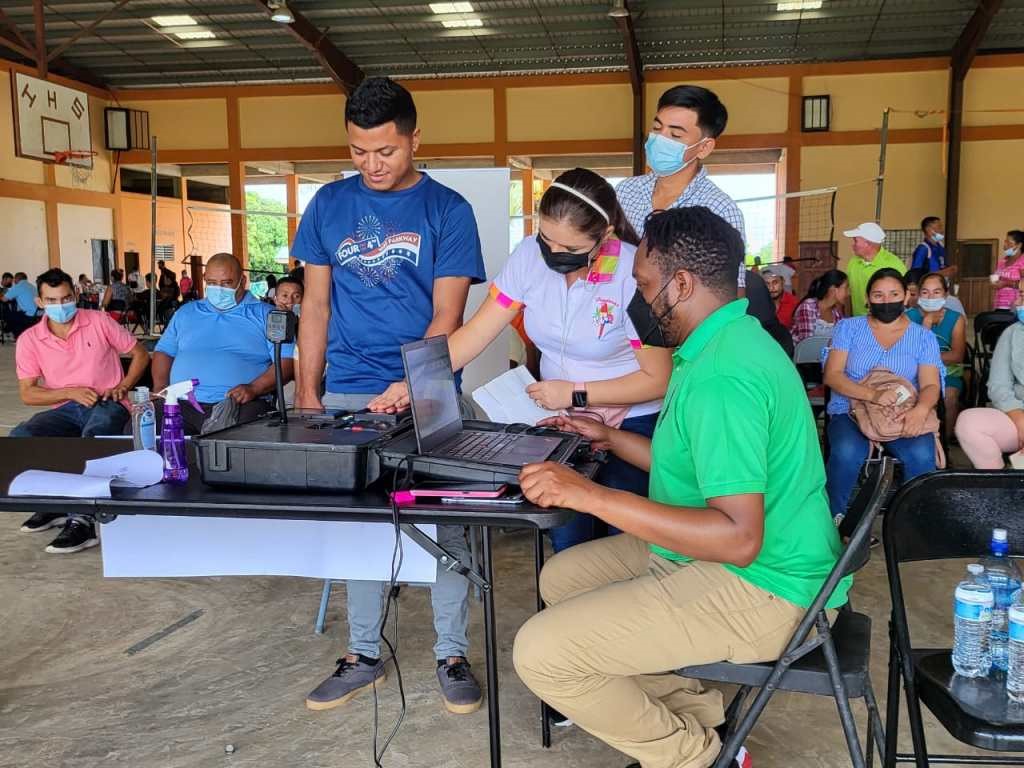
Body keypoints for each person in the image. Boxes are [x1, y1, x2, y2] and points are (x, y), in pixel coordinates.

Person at [511, 206, 847, 768]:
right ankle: (695, 712)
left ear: (682, 283)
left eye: (642, 285)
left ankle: (698, 758)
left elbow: (737, 537)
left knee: (541, 654)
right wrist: (611, 439)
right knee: (563, 577)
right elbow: (696, 472)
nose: (634, 300)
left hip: (768, 585)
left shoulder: (722, 377)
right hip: (762, 557)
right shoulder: (724, 341)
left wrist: (587, 495)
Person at [292, 76, 486, 715]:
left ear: (414, 139)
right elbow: (316, 303)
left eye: (386, 151)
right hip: (347, 387)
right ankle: (363, 654)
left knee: (445, 522)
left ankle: (451, 652)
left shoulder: (448, 211)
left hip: (427, 391)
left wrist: (411, 386)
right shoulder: (327, 204)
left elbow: (446, 318)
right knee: (363, 524)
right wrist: (309, 389)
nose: (371, 165)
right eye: (358, 151)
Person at [369, 168, 669, 553]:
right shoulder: (529, 257)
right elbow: (477, 332)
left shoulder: (630, 274)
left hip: (632, 421)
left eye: (569, 249)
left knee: (624, 541)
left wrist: (575, 394)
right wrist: (415, 386)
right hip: (566, 422)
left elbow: (657, 378)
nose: (554, 255)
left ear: (605, 236)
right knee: (566, 533)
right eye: (547, 240)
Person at [12, 268, 149, 553]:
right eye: (51, 300)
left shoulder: (99, 321)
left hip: (107, 402)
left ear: (75, 295)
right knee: (23, 436)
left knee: (93, 435)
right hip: (65, 407)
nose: (60, 306)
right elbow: (28, 393)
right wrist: (68, 392)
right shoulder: (29, 340)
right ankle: (52, 503)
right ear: (40, 302)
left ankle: (82, 521)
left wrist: (123, 385)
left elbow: (140, 354)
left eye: (65, 298)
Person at [823, 268, 943, 520]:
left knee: (922, 455)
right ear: (867, 298)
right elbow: (832, 375)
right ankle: (838, 520)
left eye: (894, 294)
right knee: (846, 451)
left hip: (902, 414)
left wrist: (920, 411)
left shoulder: (923, 337)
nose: (886, 301)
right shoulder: (849, 328)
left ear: (906, 297)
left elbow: (931, 385)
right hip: (850, 410)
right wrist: (872, 395)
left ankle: (913, 522)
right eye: (878, 295)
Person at [615, 85, 747, 294]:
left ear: (704, 148)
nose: (660, 139)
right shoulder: (625, 192)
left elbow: (732, 292)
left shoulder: (719, 209)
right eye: (657, 129)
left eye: (675, 135)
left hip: (679, 321)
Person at [151, 253, 294, 435]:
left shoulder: (269, 315)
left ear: (242, 281)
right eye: (211, 282)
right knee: (143, 429)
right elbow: (164, 352)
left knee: (232, 440)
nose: (218, 289)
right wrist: (159, 390)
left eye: (226, 283)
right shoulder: (186, 313)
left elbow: (286, 362)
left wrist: (254, 388)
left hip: (238, 404)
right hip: (179, 403)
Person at [956, 281, 1024, 468]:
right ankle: (998, 489)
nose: (1017, 301)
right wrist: (1018, 417)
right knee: (969, 423)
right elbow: (998, 384)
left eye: (1023, 296)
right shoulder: (1012, 333)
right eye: (1020, 294)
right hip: (1019, 413)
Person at [906, 272, 965, 440]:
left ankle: (943, 446)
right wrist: (926, 323)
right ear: (918, 294)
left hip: (948, 373)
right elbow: (907, 354)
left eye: (936, 292)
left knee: (950, 398)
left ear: (946, 295)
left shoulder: (956, 319)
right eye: (925, 292)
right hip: (913, 373)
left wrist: (924, 358)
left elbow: (957, 356)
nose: (930, 297)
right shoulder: (909, 317)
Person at [843, 222, 906, 316]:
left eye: (856, 241)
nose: (853, 245)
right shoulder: (853, 262)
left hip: (885, 322)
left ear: (867, 244)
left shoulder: (894, 264)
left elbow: (903, 295)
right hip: (858, 322)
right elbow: (848, 292)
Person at [791, 269, 847, 345]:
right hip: (803, 355)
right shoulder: (808, 307)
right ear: (833, 289)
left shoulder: (837, 314)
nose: (848, 293)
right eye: (846, 288)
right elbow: (807, 344)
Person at [2, 272, 40, 337]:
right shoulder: (32, 286)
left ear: (17, 278)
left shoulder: (18, 286)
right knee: (14, 313)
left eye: (14, 279)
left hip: (28, 315)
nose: (13, 281)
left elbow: (4, 299)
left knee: (9, 315)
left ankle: (16, 336)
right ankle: (9, 330)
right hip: (37, 314)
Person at [993, 230, 1024, 310]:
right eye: (1005, 242)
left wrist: (1006, 283)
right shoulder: (1002, 262)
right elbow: (995, 278)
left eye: (1009, 243)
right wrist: (993, 282)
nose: (1005, 246)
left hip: (1016, 307)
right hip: (999, 305)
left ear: (1019, 245)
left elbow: (1023, 285)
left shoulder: (1022, 261)